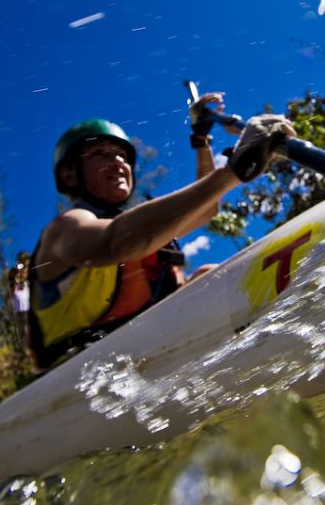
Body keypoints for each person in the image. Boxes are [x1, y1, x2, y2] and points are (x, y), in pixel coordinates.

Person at [29, 95, 294, 372]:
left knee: (208, 276)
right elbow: (117, 241)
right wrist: (236, 168)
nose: (118, 162)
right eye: (100, 155)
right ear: (70, 175)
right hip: (83, 378)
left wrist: (201, 140)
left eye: (122, 156)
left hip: (157, 356)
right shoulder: (65, 228)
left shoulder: (142, 226)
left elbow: (205, 210)